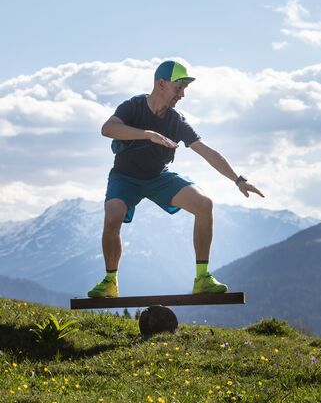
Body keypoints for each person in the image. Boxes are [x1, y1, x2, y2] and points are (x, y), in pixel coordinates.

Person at [88, 60, 264, 298]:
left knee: (204, 204)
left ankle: (202, 278)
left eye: (184, 89)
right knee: (113, 216)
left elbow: (206, 151)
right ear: (161, 84)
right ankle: (110, 282)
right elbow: (108, 129)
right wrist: (147, 135)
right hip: (125, 177)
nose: (182, 95)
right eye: (178, 88)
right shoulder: (133, 107)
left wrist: (238, 179)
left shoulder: (175, 120)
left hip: (158, 177)